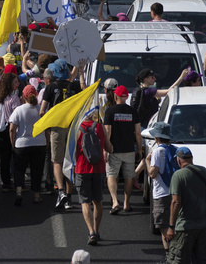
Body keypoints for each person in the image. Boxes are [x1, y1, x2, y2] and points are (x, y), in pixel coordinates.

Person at [40, 58, 82, 210]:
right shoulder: (74, 86)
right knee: (69, 161)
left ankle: (61, 192)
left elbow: (42, 111)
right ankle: (69, 198)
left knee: (56, 161)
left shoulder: (50, 88)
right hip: (72, 127)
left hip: (57, 126)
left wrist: (48, 127)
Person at [166, 146, 206, 264]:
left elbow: (176, 202)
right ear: (192, 158)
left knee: (179, 260)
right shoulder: (204, 171)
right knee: (203, 260)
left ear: (178, 160)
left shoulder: (178, 175)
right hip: (204, 225)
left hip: (185, 227)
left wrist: (171, 227)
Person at [103, 84, 141, 214]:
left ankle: (114, 202)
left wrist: (105, 149)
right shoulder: (133, 111)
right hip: (129, 149)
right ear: (126, 97)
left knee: (111, 175)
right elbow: (137, 133)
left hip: (114, 149)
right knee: (128, 177)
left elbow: (107, 131)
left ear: (115, 96)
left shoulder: (110, 111)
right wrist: (139, 150)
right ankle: (126, 203)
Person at [145, 121, 179, 259]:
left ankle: (169, 256)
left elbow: (153, 174)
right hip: (174, 191)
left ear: (157, 138)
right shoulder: (175, 149)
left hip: (161, 193)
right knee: (174, 224)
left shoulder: (158, 151)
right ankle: (174, 253)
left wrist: (147, 161)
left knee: (163, 226)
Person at [8, 83, 44, 205]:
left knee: (19, 169)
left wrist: (12, 142)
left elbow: (12, 128)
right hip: (39, 143)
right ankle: (37, 195)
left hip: (22, 144)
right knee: (37, 170)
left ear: (24, 96)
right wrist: (47, 141)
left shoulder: (19, 110)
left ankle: (18, 192)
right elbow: (47, 128)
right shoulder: (41, 110)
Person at [75, 108, 107, 246]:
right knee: (97, 201)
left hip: (82, 168)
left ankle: (91, 232)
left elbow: (73, 150)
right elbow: (109, 148)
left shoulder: (78, 128)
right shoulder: (100, 127)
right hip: (98, 168)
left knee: (85, 202)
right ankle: (97, 230)